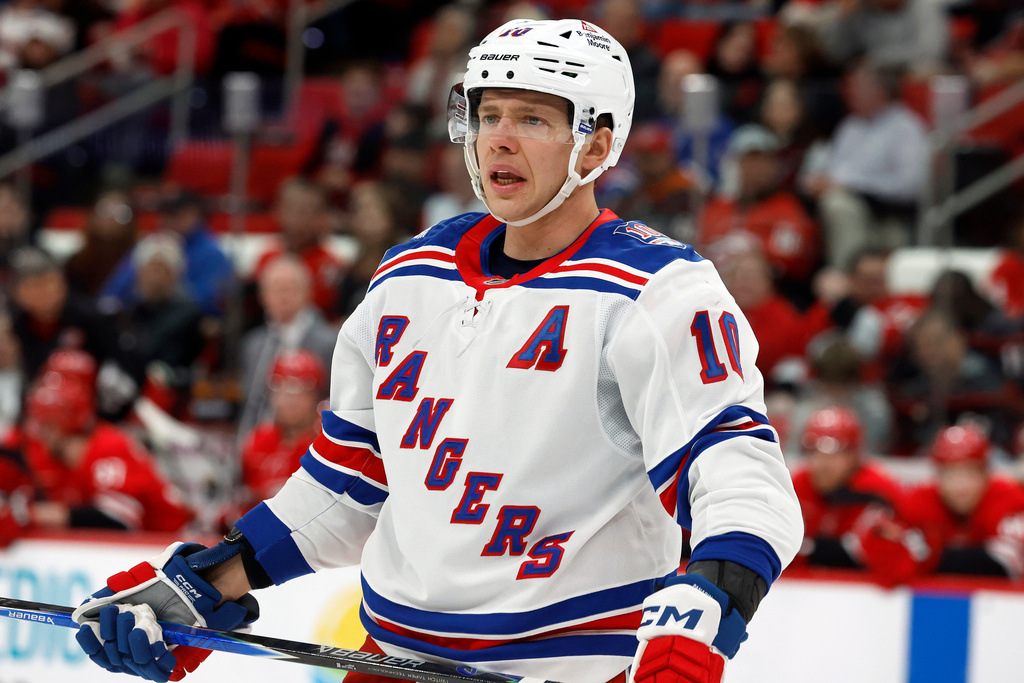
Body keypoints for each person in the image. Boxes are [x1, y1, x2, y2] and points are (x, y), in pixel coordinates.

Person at [71, 19, 802, 683]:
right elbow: (351, 476)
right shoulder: (408, 274)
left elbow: (739, 471)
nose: (499, 139)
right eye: (488, 116)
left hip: (573, 667)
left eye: (533, 118)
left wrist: (713, 594)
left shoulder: (657, 291)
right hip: (393, 662)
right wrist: (208, 581)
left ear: (599, 143)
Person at [20, 372, 193, 532]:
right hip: (146, 550)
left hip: (176, 543)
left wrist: (33, 515)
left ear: (59, 426)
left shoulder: (108, 447)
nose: (39, 433)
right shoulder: (55, 459)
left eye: (45, 425)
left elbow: (120, 519)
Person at [789, 406, 920, 585]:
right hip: (803, 596)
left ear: (854, 456)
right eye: (815, 452)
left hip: (867, 599)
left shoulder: (879, 491)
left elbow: (901, 569)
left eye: (836, 455)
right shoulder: (795, 487)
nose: (824, 464)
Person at [901, 424, 1024, 577]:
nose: (960, 486)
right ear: (937, 477)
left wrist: (930, 555)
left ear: (986, 474)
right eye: (950, 475)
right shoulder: (920, 501)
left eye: (969, 473)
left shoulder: (1008, 497)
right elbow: (892, 559)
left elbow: (1006, 563)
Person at [238, 254, 337, 441]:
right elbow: (249, 404)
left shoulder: (329, 343)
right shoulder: (253, 344)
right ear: (263, 296)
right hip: (259, 445)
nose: (283, 296)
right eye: (275, 289)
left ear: (308, 293)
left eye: (290, 288)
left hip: (309, 445)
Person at [237, 350, 326, 511]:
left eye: (298, 391)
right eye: (279, 389)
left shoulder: (326, 445)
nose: (287, 400)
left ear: (315, 396)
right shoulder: (257, 441)